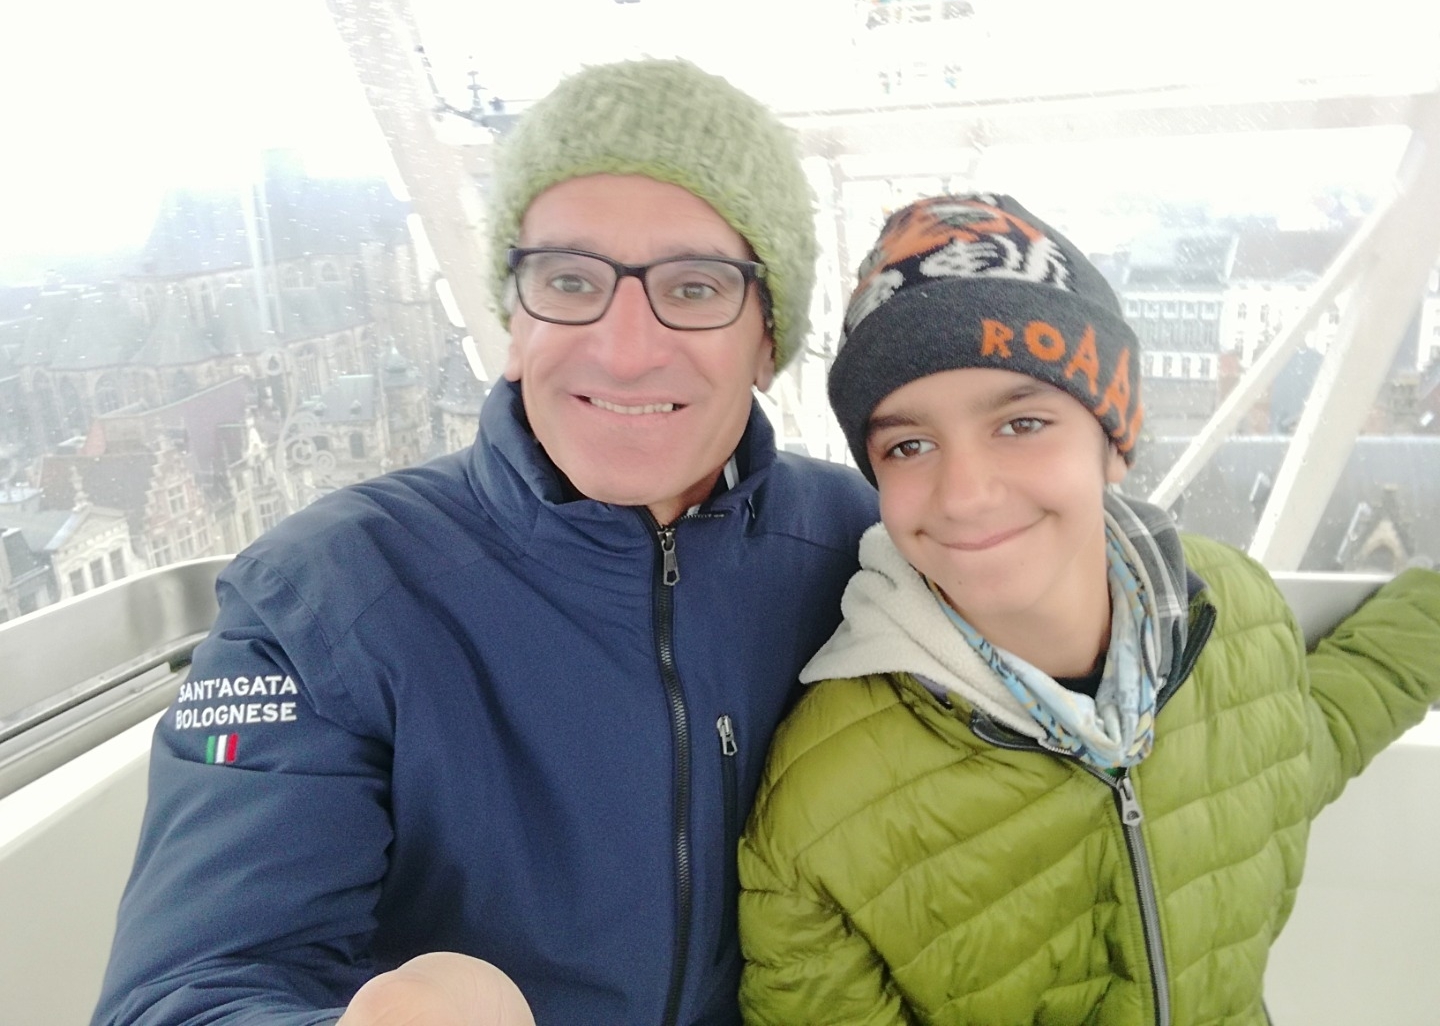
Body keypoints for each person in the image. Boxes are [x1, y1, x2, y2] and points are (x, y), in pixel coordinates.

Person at [91, 58, 878, 1026]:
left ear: (767, 337)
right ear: (514, 319)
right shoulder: (328, 597)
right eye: (570, 280)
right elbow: (187, 992)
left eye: (695, 286)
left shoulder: (862, 549)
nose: (626, 348)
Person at [736, 193, 1440, 1025]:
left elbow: (1291, 743)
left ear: (1114, 438)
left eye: (1021, 423)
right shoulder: (822, 811)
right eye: (909, 445)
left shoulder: (1231, 609)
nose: (964, 494)